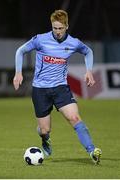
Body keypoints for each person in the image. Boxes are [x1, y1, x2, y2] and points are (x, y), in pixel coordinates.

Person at [13, 9, 102, 164]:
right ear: (51, 26)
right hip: (40, 90)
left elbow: (88, 52)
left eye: (60, 28)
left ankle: (92, 151)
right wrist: (18, 72)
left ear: (66, 26)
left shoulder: (73, 42)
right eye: (55, 28)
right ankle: (45, 139)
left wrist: (89, 71)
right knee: (45, 130)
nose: (57, 32)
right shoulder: (41, 39)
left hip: (60, 88)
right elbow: (20, 51)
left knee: (74, 117)